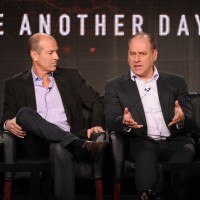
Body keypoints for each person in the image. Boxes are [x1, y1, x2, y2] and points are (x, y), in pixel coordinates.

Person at [1, 33, 107, 200]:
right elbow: (6, 117)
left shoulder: (71, 77)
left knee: (58, 146)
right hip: (34, 144)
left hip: (63, 143)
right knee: (24, 113)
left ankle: (69, 142)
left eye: (56, 52)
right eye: (50, 53)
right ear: (34, 55)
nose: (56, 57)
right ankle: (78, 145)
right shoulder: (14, 84)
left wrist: (96, 123)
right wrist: (7, 123)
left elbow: (98, 101)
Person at [104, 32, 196, 199]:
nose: (136, 59)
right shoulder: (115, 86)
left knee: (184, 153)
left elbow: (191, 122)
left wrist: (182, 118)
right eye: (132, 54)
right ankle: (149, 195)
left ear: (154, 55)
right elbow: (111, 120)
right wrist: (124, 122)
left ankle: (157, 192)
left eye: (142, 54)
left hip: (176, 140)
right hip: (142, 140)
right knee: (144, 153)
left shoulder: (176, 82)